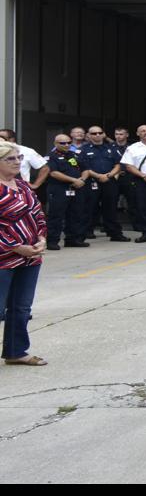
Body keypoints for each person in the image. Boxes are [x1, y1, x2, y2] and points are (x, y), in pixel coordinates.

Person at [0, 141, 50, 367]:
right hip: (4, 257)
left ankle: (16, 351)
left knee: (21, 307)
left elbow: (38, 214)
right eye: (10, 159)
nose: (17, 162)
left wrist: (41, 238)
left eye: (19, 158)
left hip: (30, 256)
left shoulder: (23, 185)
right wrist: (16, 246)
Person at [81, 126, 128, 241]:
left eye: (99, 132)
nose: (97, 135)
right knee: (90, 208)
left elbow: (119, 164)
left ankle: (114, 233)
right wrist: (98, 176)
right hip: (91, 181)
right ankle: (87, 231)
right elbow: (84, 167)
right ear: (89, 135)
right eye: (94, 133)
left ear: (103, 134)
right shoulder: (83, 149)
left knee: (111, 208)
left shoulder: (112, 147)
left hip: (109, 181)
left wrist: (108, 175)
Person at [42, 134, 89, 249]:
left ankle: (73, 240)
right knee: (56, 216)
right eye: (63, 143)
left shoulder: (74, 155)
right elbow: (54, 173)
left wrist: (82, 180)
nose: (66, 145)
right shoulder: (50, 156)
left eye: (69, 142)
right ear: (55, 144)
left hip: (76, 188)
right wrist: (74, 180)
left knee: (76, 214)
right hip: (59, 189)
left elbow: (86, 169)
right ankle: (52, 241)